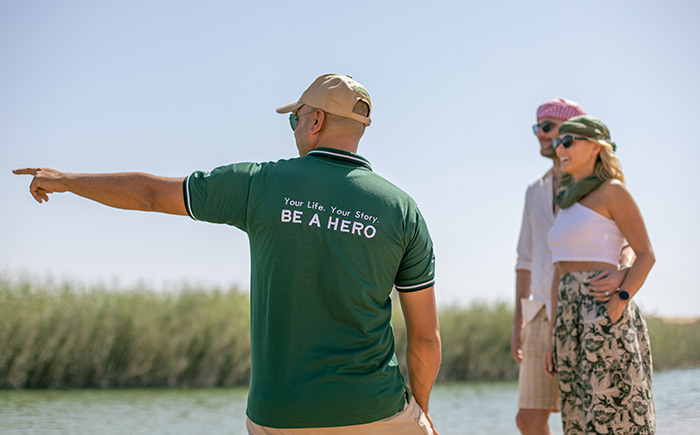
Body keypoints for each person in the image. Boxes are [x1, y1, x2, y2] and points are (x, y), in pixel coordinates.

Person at [14, 74, 442, 435]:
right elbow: (425, 338)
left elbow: (148, 194)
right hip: (378, 414)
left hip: (278, 418)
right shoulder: (402, 210)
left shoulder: (259, 184)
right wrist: (420, 409)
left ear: (315, 121)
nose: (294, 128)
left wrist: (65, 179)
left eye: (294, 119)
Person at [512, 99, 632, 435]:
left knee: (588, 415)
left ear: (573, 131)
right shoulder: (534, 191)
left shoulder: (600, 186)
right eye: (537, 128)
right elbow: (524, 260)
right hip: (539, 314)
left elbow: (629, 246)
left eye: (549, 127)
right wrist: (517, 321)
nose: (542, 135)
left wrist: (622, 280)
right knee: (528, 419)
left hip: (591, 305)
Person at [544, 115, 655, 434]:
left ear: (595, 146)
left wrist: (621, 298)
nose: (559, 148)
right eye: (556, 143)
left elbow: (646, 253)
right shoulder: (564, 202)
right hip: (568, 316)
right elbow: (558, 269)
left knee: (615, 416)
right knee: (579, 417)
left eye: (568, 141)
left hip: (602, 308)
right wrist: (555, 331)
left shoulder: (613, 191)